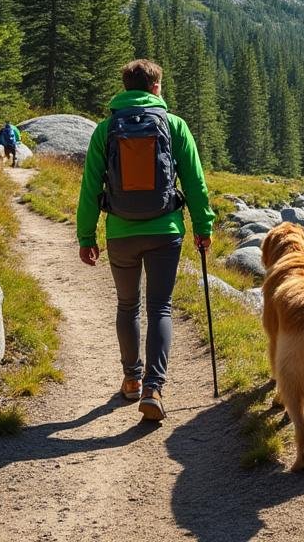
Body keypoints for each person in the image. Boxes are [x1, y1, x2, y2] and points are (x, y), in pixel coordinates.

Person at [76, 59, 215, 422]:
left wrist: (86, 235)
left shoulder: (105, 129)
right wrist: (204, 227)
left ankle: (131, 380)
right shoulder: (175, 126)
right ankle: (154, 388)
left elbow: (90, 188)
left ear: (126, 88)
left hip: (121, 232)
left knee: (127, 306)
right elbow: (195, 184)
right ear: (156, 87)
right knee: (160, 308)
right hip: (165, 231)